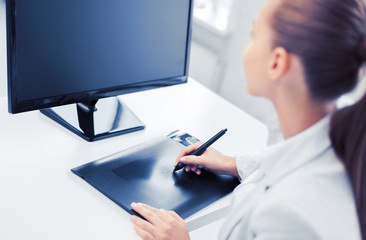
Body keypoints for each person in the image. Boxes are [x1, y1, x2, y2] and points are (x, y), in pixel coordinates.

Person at [130, 0, 366, 239]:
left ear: (276, 62)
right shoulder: (330, 136)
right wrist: (231, 163)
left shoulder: (290, 216)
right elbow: (285, 161)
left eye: (254, 36)